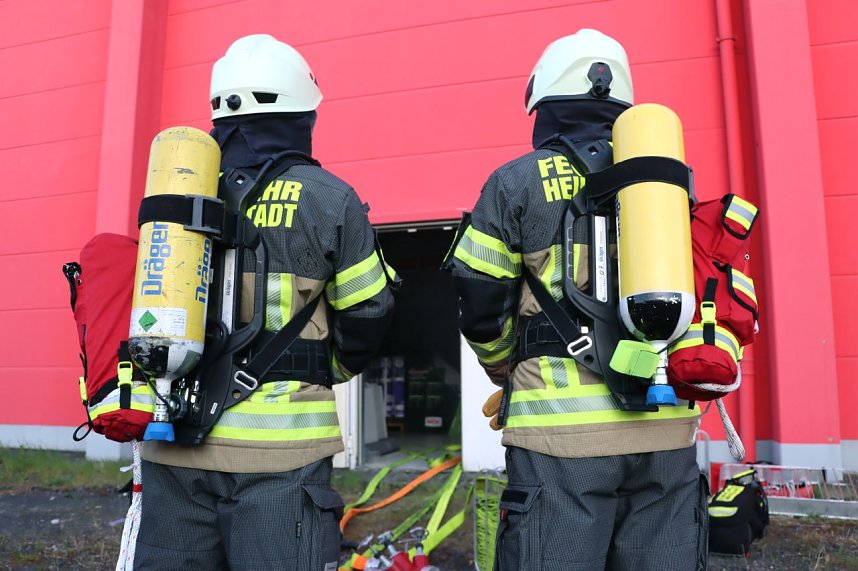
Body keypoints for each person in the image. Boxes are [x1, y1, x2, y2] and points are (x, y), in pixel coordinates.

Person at [445, 29, 708, 570]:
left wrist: (504, 369)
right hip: (666, 428)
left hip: (559, 439)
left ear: (544, 102)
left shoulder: (513, 183)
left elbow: (478, 294)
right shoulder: (669, 183)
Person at [134, 34, 396, 570]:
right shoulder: (327, 197)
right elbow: (370, 309)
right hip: (283, 454)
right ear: (300, 113)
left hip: (174, 439)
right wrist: (327, 367)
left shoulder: (176, 191)